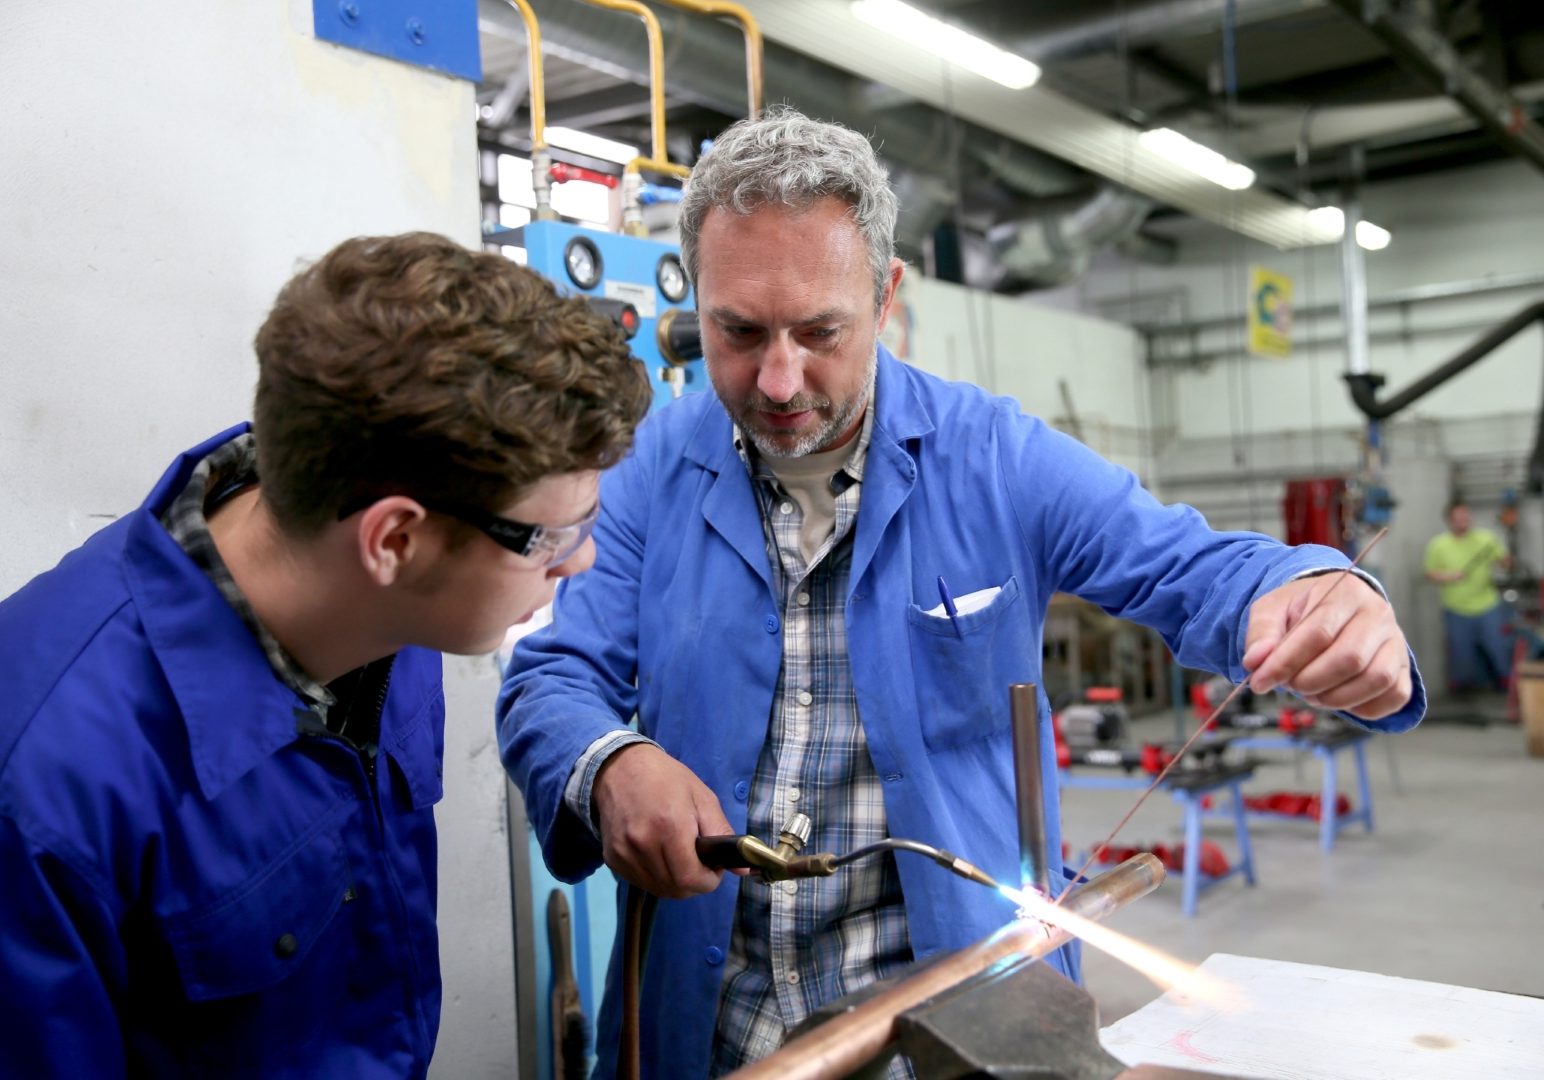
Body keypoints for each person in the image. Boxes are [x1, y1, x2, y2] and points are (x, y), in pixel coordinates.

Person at [498, 107, 1426, 1080]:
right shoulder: (650, 470)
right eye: (739, 332)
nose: (778, 378)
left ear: (885, 295)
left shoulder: (995, 458)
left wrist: (1313, 588)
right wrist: (608, 764)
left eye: (819, 331)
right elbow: (551, 677)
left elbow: (1184, 566)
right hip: (711, 1036)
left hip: (966, 1030)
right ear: (700, 303)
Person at [0, 232, 651, 1077]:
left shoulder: (384, 612)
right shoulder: (44, 787)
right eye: (550, 537)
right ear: (396, 539)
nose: (581, 561)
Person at [1424, 499, 1513, 692]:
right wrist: (1449, 575)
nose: (1462, 521)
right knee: (1461, 654)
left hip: (1488, 604)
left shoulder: (1486, 539)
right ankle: (1462, 690)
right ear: (1449, 520)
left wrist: (1506, 561)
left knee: (1498, 647)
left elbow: (1505, 562)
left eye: (1465, 516)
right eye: (1458, 518)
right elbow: (1429, 573)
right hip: (1455, 608)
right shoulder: (1438, 545)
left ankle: (1508, 686)